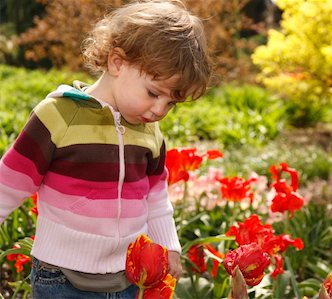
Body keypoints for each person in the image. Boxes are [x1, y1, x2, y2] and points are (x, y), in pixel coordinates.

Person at [0, 0, 211, 297]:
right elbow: (10, 181)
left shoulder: (150, 131)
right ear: (117, 62)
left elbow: (155, 195)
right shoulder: (59, 114)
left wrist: (168, 246)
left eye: (171, 103)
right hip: (61, 278)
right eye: (153, 93)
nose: (160, 110)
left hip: (127, 277)